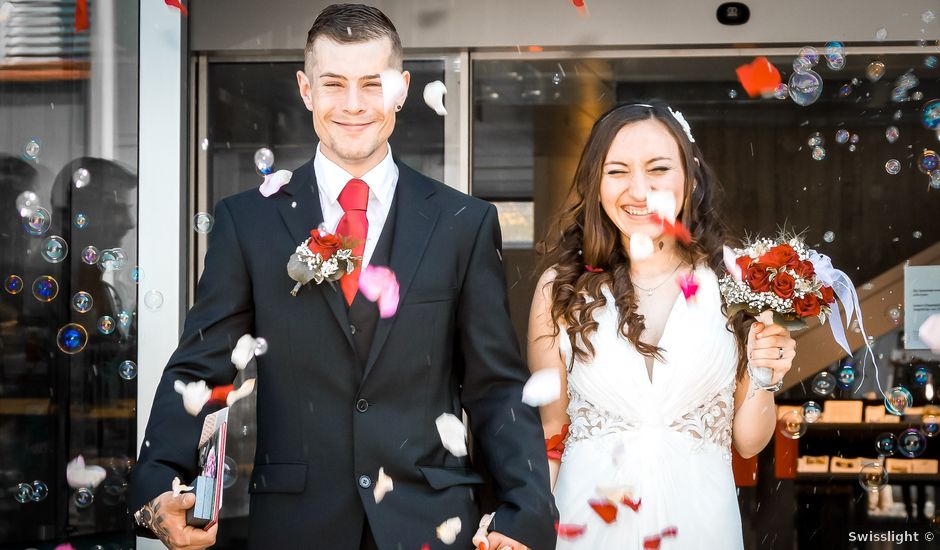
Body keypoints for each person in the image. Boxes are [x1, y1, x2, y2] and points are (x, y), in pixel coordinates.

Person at [129, 4, 557, 550]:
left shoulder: (464, 223)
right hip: (295, 526)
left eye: (372, 84)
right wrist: (155, 485)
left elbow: (494, 386)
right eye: (333, 84)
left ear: (401, 89)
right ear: (306, 90)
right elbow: (200, 367)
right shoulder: (250, 220)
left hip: (430, 524)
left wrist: (525, 513)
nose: (353, 105)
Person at [527, 102, 796, 548]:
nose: (639, 190)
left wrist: (767, 374)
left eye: (658, 169)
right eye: (617, 172)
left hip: (701, 524)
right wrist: (526, 524)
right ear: (595, 183)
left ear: (689, 178)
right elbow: (549, 431)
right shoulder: (559, 290)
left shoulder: (736, 284)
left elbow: (748, 442)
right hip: (587, 523)